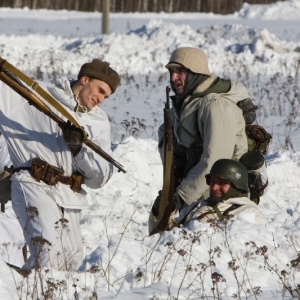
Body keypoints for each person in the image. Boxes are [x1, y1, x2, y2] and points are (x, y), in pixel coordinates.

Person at [0, 58, 120, 271]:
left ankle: (14, 286)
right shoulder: (35, 95)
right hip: (32, 185)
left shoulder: (100, 122)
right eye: (100, 90)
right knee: (48, 256)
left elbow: (100, 177)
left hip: (70, 198)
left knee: (70, 263)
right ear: (84, 79)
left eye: (106, 96)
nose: (101, 99)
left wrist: (78, 150)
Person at [157, 47, 250, 211]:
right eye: (171, 71)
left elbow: (215, 159)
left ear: (195, 73)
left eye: (180, 71)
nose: (173, 78)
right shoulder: (183, 107)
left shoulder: (215, 106)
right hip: (198, 195)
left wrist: (180, 197)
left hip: (223, 198)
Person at [167, 159, 266, 230]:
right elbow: (168, 235)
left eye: (222, 183)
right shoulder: (196, 206)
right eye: (212, 181)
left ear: (237, 185)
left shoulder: (250, 213)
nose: (214, 187)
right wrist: (164, 213)